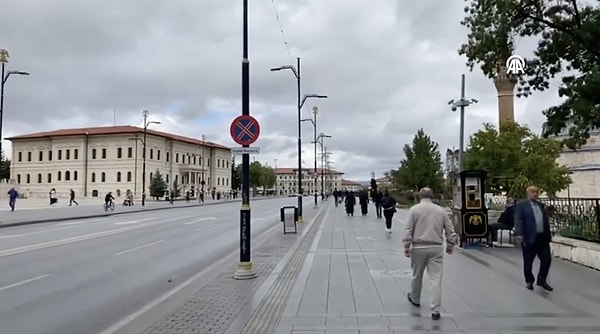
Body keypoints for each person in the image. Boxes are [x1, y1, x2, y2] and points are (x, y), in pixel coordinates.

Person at [402, 187, 456, 320]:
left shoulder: (414, 210)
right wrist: (450, 244)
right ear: (432, 196)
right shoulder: (440, 210)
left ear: (419, 196)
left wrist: (406, 246)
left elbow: (408, 229)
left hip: (418, 247)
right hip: (436, 247)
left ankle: (415, 298)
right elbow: (450, 229)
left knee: (416, 275)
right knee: (435, 279)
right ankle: (435, 309)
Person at [514, 186, 553, 291]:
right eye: (532, 192)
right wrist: (520, 234)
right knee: (528, 261)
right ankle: (529, 281)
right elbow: (519, 220)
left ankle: (542, 280)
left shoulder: (541, 205)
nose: (535, 194)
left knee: (546, 259)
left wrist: (548, 233)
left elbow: (545, 220)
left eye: (536, 192)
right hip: (529, 237)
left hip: (542, 238)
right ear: (528, 193)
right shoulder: (521, 205)